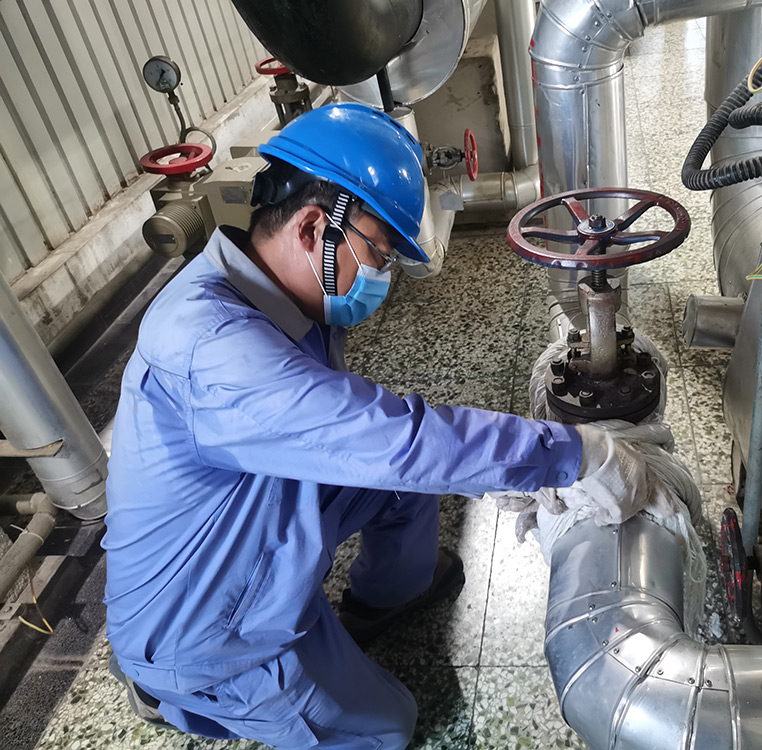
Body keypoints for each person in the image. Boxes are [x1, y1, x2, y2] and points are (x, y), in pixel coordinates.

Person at [103, 103, 655, 749]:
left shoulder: (269, 296)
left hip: (261, 509)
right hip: (205, 624)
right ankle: (171, 693)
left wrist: (500, 466)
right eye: (379, 253)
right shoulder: (214, 348)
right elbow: (397, 441)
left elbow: (381, 449)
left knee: (404, 487)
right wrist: (575, 454)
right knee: (388, 728)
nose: (381, 277)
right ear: (313, 226)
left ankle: (380, 602)